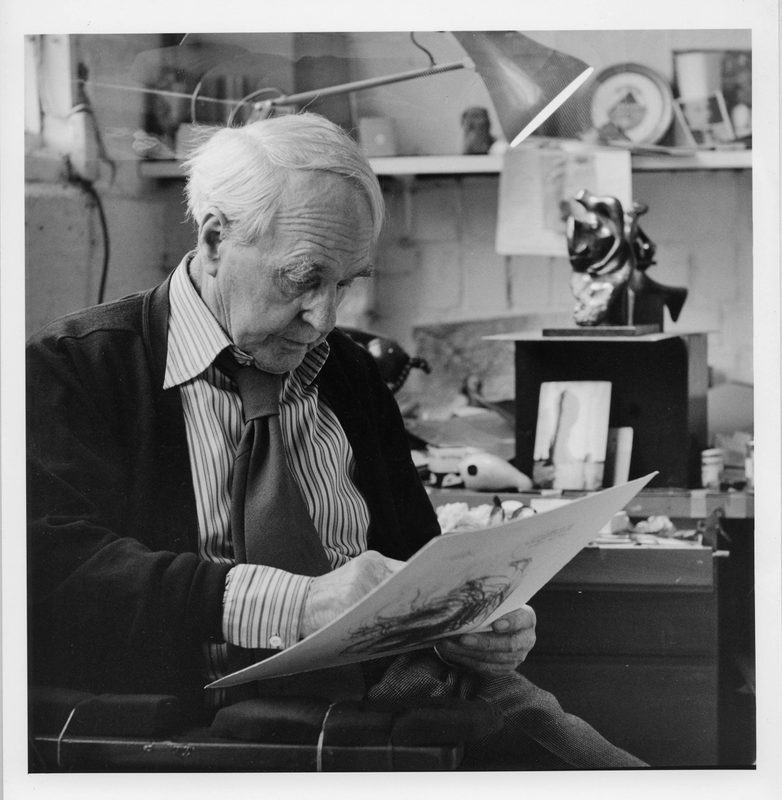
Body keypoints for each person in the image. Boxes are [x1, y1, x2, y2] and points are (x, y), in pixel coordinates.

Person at [26, 112, 645, 769]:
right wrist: (299, 604)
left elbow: (413, 556)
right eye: (302, 279)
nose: (323, 318)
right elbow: (53, 569)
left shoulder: (348, 372)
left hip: (398, 688)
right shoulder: (72, 370)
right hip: (194, 719)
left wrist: (467, 620)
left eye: (346, 283)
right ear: (213, 240)